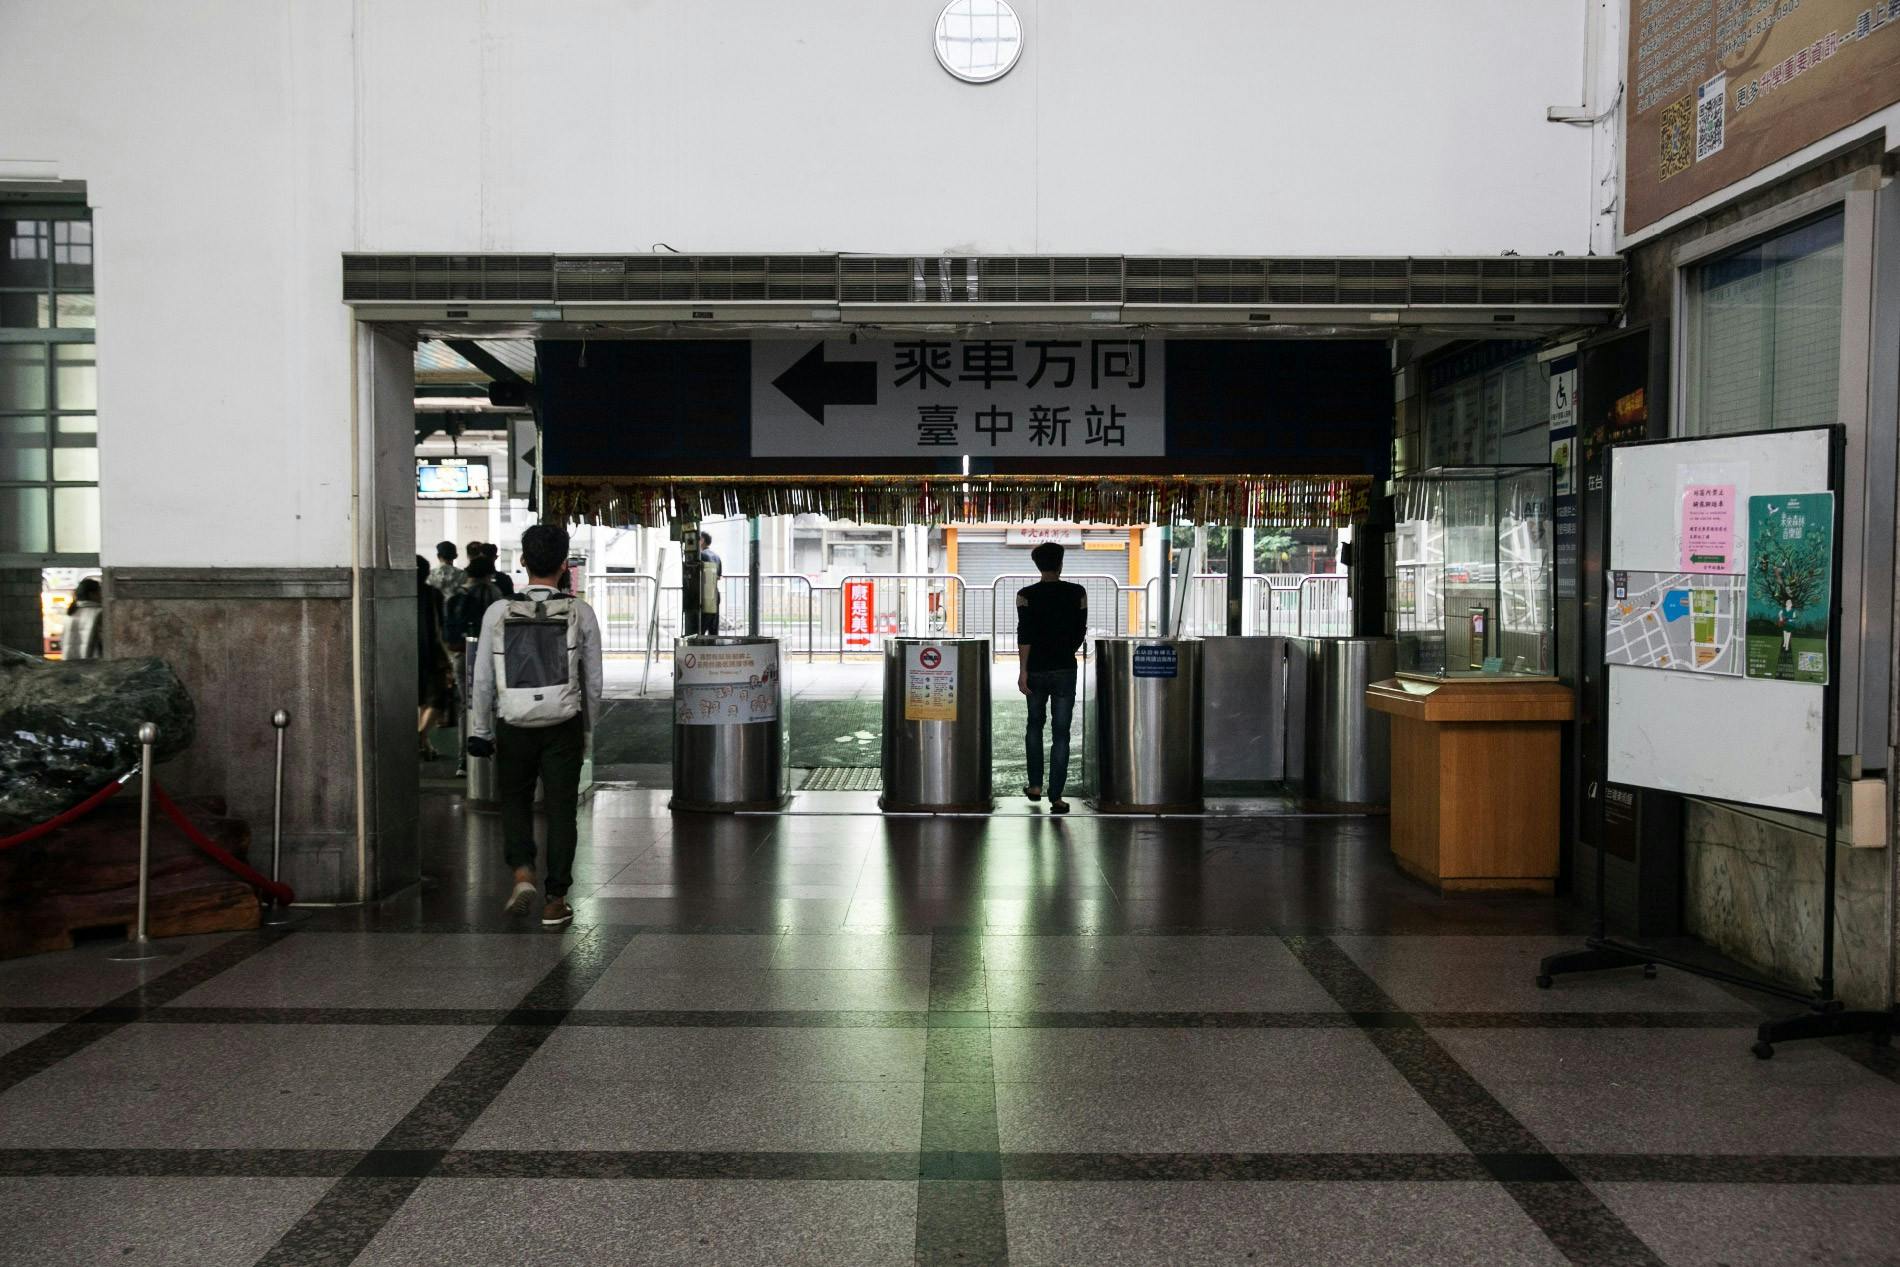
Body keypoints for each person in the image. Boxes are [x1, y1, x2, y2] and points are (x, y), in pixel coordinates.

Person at [467, 523, 604, 928]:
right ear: (565, 565)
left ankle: (523, 874)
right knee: (562, 811)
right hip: (563, 723)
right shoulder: (580, 612)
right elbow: (593, 681)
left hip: (515, 723)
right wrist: (588, 730)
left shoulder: (498, 612)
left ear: (523, 561)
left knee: (516, 802)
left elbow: (482, 680)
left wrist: (480, 729)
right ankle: (556, 899)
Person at [1015, 541, 1088, 814]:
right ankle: (1056, 797)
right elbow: (1080, 631)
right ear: (1060, 564)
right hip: (1065, 669)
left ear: (1037, 565)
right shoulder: (1077, 593)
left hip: (1035, 669)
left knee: (1034, 725)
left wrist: (1023, 671)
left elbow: (1025, 634)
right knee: (1061, 733)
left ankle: (1035, 785)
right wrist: (1066, 650)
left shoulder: (1026, 595)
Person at [416, 555, 455, 760]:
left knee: (420, 698)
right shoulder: (433, 594)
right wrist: (447, 657)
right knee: (436, 699)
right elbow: (440, 628)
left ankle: (423, 742)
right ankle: (421, 736)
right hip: (431, 653)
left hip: (407, 653)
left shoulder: (401, 595)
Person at [62, 576, 104, 661]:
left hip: (70, 662)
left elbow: (62, 642)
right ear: (92, 594)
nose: (102, 595)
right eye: (100, 592)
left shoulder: (70, 613)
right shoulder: (99, 613)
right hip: (92, 664)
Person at [695, 530, 722, 636]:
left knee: (701, 629)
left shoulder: (701, 555)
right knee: (713, 629)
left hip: (704, 595)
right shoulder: (717, 556)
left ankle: (699, 651)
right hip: (715, 594)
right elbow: (718, 576)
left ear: (702, 540)